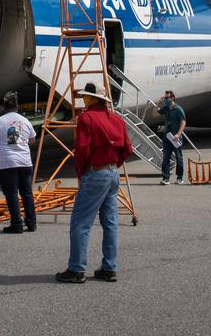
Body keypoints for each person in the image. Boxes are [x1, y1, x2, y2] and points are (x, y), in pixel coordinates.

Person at [56, 82, 132, 284]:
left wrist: (82, 173)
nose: (83, 98)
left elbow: (82, 149)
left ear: (92, 98)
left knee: (80, 223)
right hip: (112, 172)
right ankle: (109, 267)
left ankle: (77, 269)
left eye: (86, 96)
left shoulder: (86, 118)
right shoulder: (116, 118)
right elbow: (127, 148)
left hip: (95, 173)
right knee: (110, 222)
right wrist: (114, 164)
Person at [0, 91, 37, 234]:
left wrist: (0, 138)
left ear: (4, 106)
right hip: (25, 162)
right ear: (17, 106)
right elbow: (32, 139)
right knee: (27, 193)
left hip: (8, 163)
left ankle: (16, 224)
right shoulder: (25, 121)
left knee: (12, 193)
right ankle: (31, 223)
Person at [158, 90, 187, 185]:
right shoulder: (166, 108)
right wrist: (159, 103)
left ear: (172, 98)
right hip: (167, 137)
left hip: (176, 137)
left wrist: (179, 133)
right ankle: (165, 178)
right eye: (165, 97)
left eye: (167, 98)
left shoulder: (178, 109)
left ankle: (179, 178)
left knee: (179, 157)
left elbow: (183, 122)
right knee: (166, 157)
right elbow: (154, 113)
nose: (165, 99)